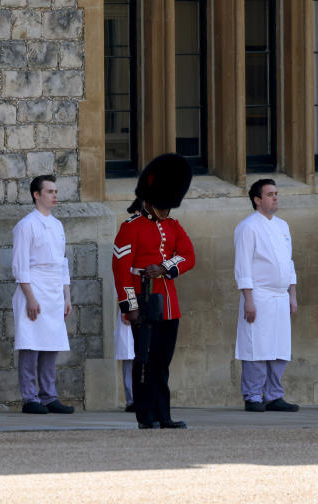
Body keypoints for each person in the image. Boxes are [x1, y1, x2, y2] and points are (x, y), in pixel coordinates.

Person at [111, 153, 195, 429]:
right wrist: (130, 306)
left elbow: (188, 255)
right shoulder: (130, 228)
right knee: (144, 361)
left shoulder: (173, 226)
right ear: (149, 200)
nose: (166, 211)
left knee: (162, 362)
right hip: (144, 302)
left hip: (168, 304)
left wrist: (164, 267)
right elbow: (122, 270)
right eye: (162, 205)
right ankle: (145, 415)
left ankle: (163, 414)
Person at [234, 179, 299, 413]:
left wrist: (292, 294)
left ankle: (273, 395)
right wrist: (248, 299)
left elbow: (288, 263)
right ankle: (253, 395)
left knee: (279, 346)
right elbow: (243, 265)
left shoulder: (283, 226)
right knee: (256, 347)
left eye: (276, 193)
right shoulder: (248, 227)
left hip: (280, 296)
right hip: (259, 295)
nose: (275, 197)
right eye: (270, 194)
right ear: (257, 200)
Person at [11, 175, 74, 414]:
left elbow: (62, 263)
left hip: (54, 289)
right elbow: (20, 265)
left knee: (51, 344)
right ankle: (30, 397)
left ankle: (49, 396)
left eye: (56, 191)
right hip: (34, 286)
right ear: (37, 195)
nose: (55, 195)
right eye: (49, 191)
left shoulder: (57, 225)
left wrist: (66, 296)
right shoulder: (26, 225)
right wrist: (30, 297)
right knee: (31, 344)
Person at [114, 309, 136, 412]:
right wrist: (125, 309)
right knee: (129, 359)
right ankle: (132, 400)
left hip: (144, 310)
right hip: (130, 310)